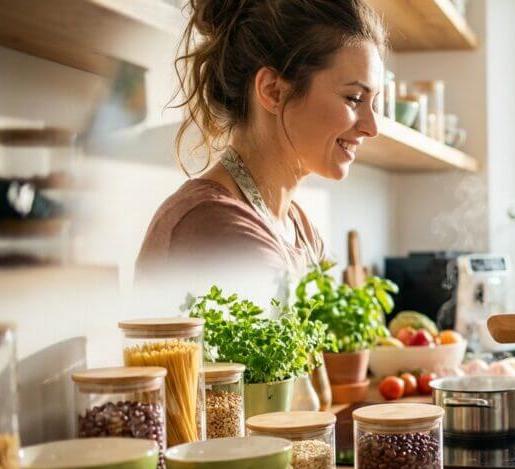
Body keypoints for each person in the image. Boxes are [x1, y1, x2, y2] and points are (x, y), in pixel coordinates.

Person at [135, 0, 386, 281]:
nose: (372, 127)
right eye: (353, 99)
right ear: (273, 92)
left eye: (374, 102)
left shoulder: (299, 228)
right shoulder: (217, 225)